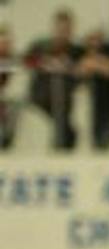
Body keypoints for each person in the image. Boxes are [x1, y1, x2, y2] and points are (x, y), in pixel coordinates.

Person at [23, 9, 80, 152]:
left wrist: (68, 67)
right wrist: (46, 63)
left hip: (63, 106)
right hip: (40, 103)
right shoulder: (40, 46)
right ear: (54, 28)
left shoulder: (75, 50)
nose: (63, 32)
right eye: (60, 28)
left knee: (69, 134)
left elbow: (83, 66)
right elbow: (26, 60)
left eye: (66, 29)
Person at [76, 24, 109, 151]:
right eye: (91, 39)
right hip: (91, 103)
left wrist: (95, 63)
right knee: (93, 135)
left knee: (107, 134)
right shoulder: (80, 52)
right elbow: (81, 69)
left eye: (97, 38)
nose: (94, 42)